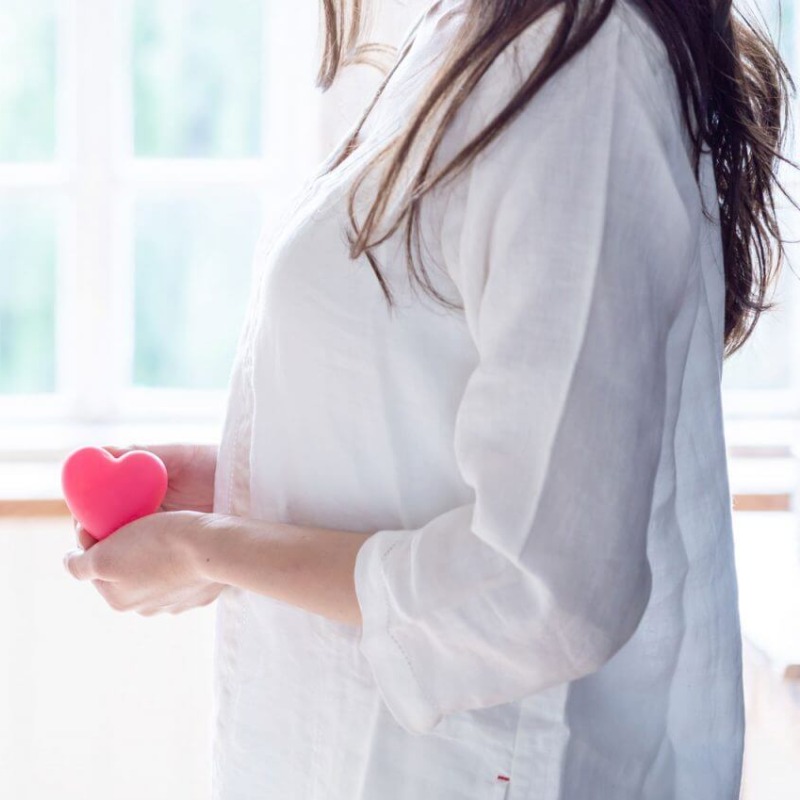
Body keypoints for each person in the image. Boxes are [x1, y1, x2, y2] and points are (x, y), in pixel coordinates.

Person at [63, 0, 796, 797]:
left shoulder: (588, 70)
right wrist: (252, 491)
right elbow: (433, 408)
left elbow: (547, 588)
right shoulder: (473, 32)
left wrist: (211, 548)